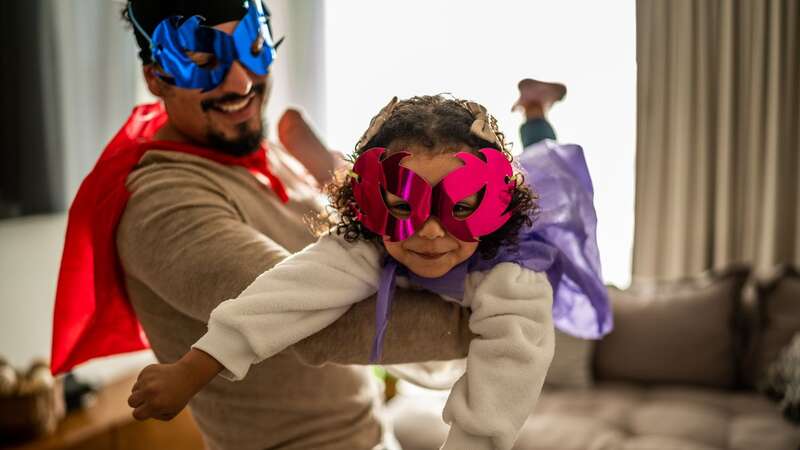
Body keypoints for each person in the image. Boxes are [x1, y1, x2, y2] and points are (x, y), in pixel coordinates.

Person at [50, 2, 476, 449]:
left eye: (252, 48)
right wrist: (501, 321)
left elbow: (350, 262)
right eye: (204, 62)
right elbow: (308, 321)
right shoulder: (162, 202)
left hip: (368, 432)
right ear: (156, 78)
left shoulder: (262, 155)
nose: (241, 82)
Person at [128, 95, 612, 450]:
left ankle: (534, 108)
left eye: (458, 206)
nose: (428, 232)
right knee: (362, 228)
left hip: (536, 223)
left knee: (548, 163)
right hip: (381, 212)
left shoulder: (514, 279)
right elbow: (290, 293)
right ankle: (336, 170)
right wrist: (195, 366)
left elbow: (508, 372)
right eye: (404, 205)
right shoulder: (371, 240)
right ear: (369, 205)